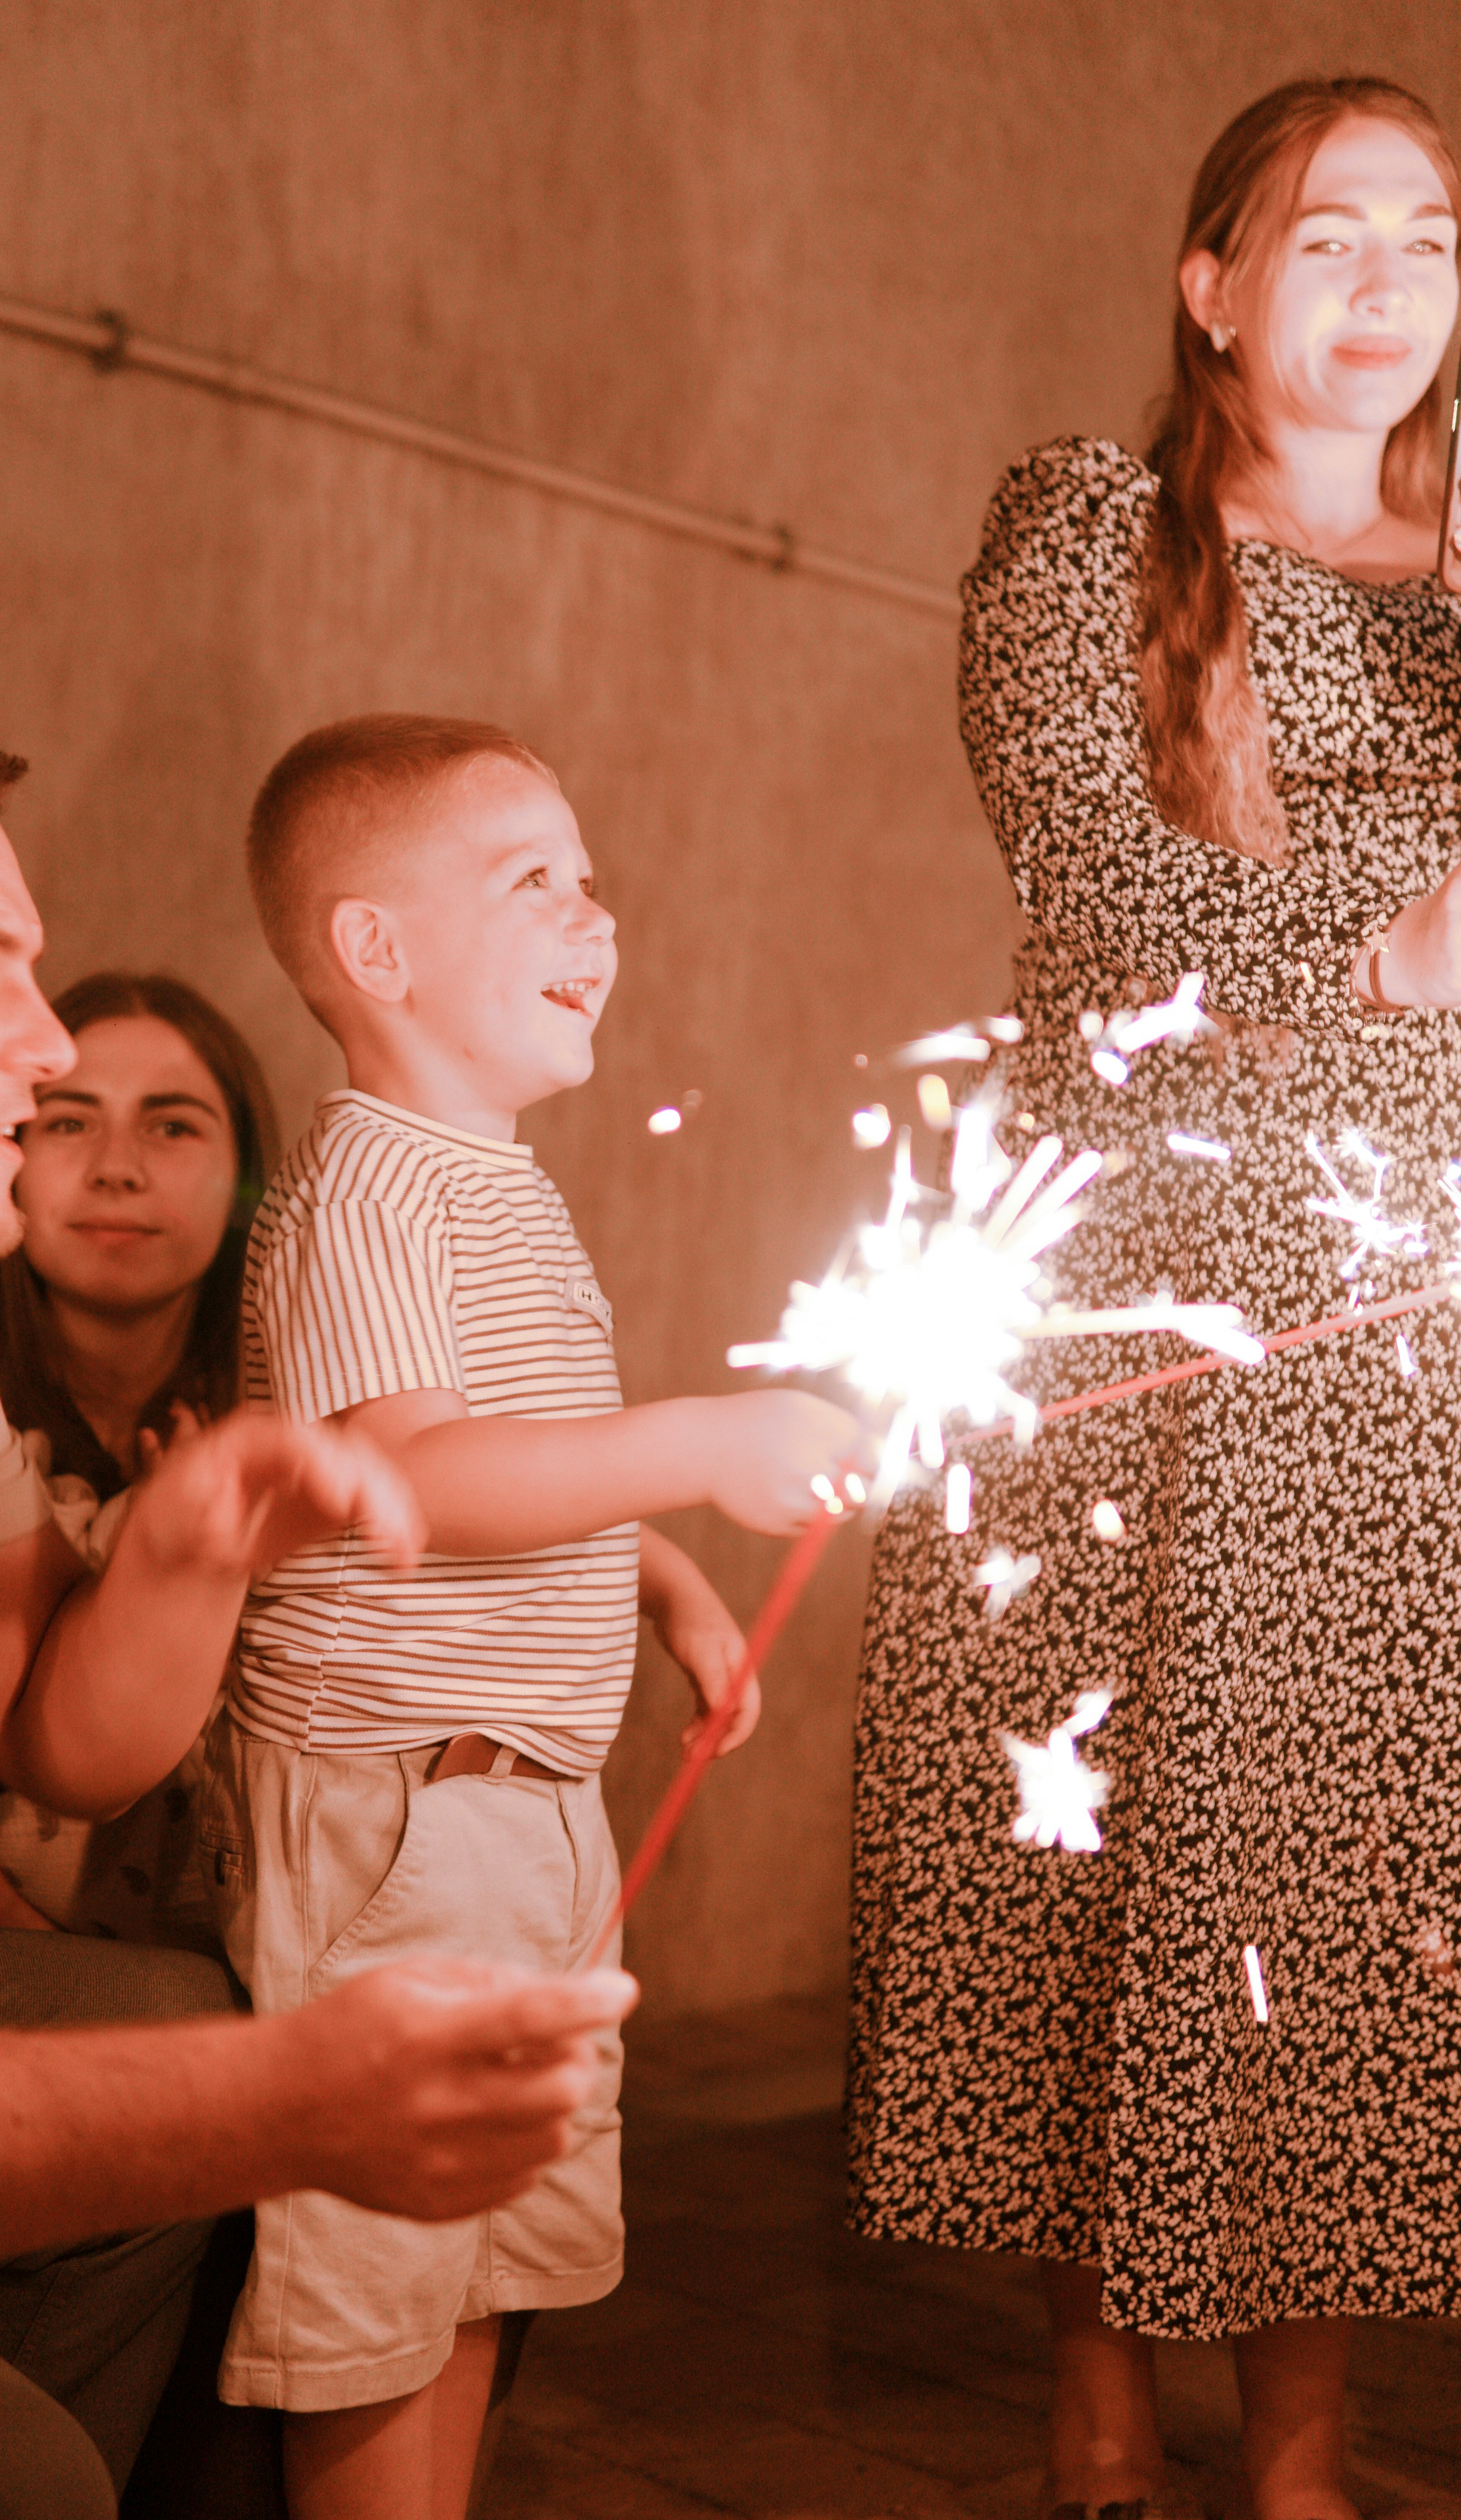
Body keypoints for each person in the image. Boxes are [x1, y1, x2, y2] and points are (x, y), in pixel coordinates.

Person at [0, 683, 636, 2520]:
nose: (35, 1043)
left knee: (157, 2016)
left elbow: (64, 1744)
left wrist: (189, 1541)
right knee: (10, 2470)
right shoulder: (375, 1198)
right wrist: (278, 2102)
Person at [846, 77, 1461, 2520]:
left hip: (1409, 1335)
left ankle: (1300, 2438)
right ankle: (1096, 2408)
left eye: (1434, 232)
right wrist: (1395, 951)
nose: (1391, 275)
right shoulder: (1093, 525)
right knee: (1131, 1854)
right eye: (1329, 233)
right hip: (1150, 1279)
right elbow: (1102, 897)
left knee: (1332, 1861)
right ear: (1212, 284)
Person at [205, 711, 857, 2520]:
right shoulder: (364, 1191)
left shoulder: (495, 1185)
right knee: (380, 2288)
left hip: (522, 1817)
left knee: (485, 2261)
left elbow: (522, 1469)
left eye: (590, 879)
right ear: (376, 950)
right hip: (400, 1815)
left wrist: (662, 1582)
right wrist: (703, 1441)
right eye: (536, 883)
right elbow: (415, 1480)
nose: (600, 917)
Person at [0, 970, 281, 1945]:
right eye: (71, 1122)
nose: (118, 1168)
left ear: (247, 1171)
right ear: (10, 1149)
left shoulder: (297, 1423)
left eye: (172, 1127)